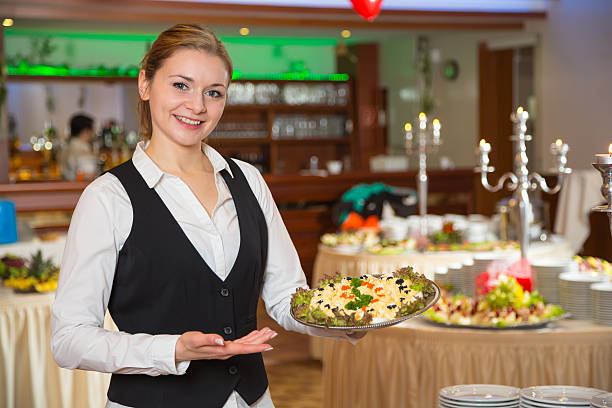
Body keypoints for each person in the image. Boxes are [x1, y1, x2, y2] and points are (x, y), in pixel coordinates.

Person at [50, 24, 361, 408]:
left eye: (213, 93)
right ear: (145, 84)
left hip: (252, 398)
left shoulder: (248, 180)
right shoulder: (107, 198)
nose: (197, 105)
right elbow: (69, 339)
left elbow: (286, 297)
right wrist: (173, 350)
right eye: (181, 85)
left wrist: (345, 319)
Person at [60, 113, 98, 180]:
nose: (94, 133)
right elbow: (89, 175)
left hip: (68, 186)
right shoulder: (82, 149)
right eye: (93, 130)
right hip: (81, 188)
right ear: (86, 131)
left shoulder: (67, 147)